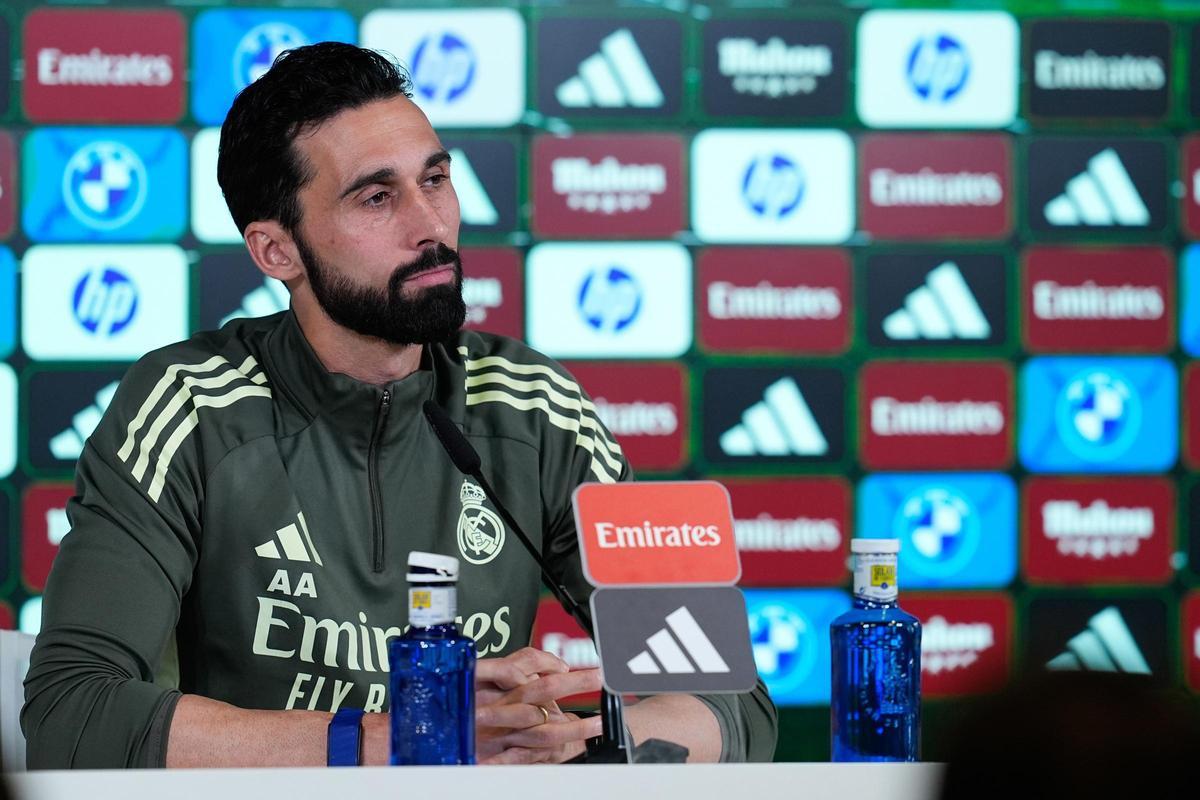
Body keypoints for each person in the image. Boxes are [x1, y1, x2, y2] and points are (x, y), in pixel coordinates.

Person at [21, 42, 777, 768]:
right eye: (377, 197)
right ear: (275, 251)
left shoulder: (533, 406)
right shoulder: (186, 406)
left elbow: (733, 699)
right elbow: (73, 714)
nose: (432, 226)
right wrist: (395, 742)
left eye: (436, 179)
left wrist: (567, 746)